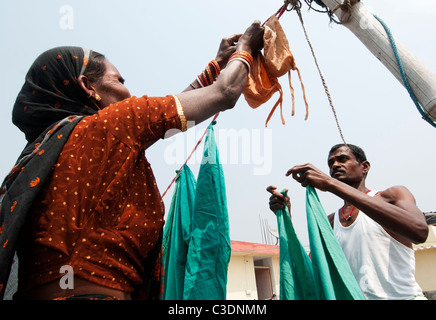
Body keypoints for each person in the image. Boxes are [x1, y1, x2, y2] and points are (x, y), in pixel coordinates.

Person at [0, 21, 265, 300]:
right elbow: (224, 94)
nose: (128, 92)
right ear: (87, 86)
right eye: (118, 81)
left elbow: (170, 119)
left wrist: (216, 63)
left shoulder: (45, 153)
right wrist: (246, 49)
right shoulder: (114, 125)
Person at [267, 143, 429, 300]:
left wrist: (331, 184)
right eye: (330, 163)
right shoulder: (330, 222)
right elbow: (312, 272)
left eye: (342, 159)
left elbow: (419, 231)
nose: (335, 165)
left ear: (364, 167)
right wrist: (286, 218)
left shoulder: (391, 196)